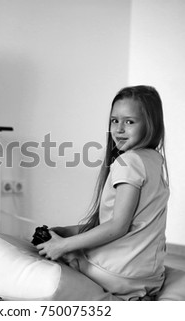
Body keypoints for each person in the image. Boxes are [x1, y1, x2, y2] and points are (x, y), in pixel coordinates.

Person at [36, 85, 170, 300]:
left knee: (60, 256)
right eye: (114, 120)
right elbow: (129, 223)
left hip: (118, 274)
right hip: (150, 276)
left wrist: (63, 246)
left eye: (130, 121)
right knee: (68, 241)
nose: (119, 129)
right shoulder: (155, 160)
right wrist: (67, 231)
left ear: (150, 125)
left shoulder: (128, 161)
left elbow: (118, 226)